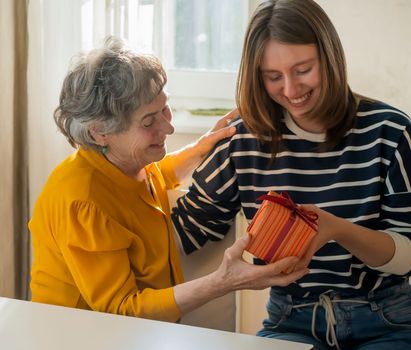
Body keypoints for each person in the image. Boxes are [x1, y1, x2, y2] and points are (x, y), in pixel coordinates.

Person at [172, 0, 411, 348]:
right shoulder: (242, 140)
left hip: (386, 320)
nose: (291, 89)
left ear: (329, 57)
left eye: (303, 69)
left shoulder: (390, 131)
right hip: (291, 320)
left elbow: (406, 258)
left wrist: (335, 229)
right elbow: (187, 230)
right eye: (273, 77)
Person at [28, 37, 308, 322]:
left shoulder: (127, 163)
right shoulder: (83, 201)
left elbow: (156, 175)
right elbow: (121, 311)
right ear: (100, 132)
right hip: (80, 336)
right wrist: (222, 282)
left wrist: (197, 150)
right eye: (149, 122)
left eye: (165, 108)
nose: (169, 127)